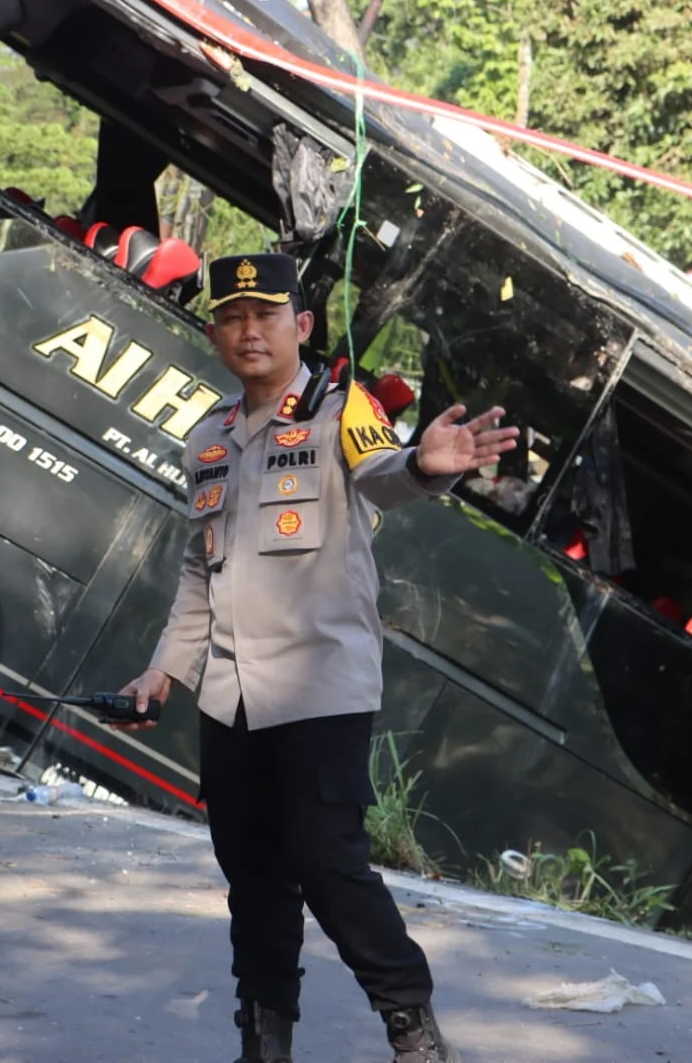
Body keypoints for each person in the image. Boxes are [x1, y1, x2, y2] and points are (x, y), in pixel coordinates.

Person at [118, 253, 517, 1063]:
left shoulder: (342, 409)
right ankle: (264, 1036)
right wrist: (164, 668)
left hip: (320, 687)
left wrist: (425, 466)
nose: (248, 331)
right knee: (252, 874)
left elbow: (383, 476)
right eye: (232, 317)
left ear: (300, 325)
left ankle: (410, 1025)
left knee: (327, 862)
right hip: (229, 696)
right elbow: (199, 569)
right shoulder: (207, 438)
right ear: (213, 334)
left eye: (265, 315)